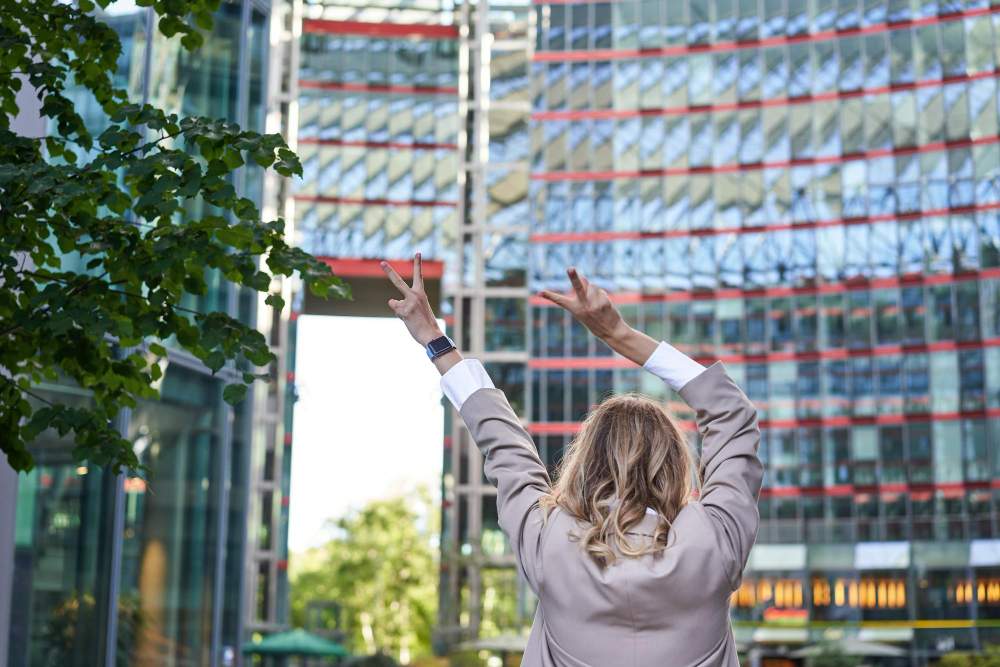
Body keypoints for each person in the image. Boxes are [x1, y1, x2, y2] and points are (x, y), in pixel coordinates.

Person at [382, 253, 763, 667]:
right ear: (672, 465)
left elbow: (505, 444)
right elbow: (732, 414)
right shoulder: (715, 542)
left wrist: (437, 342)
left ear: (586, 464)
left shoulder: (550, 542)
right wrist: (621, 335)